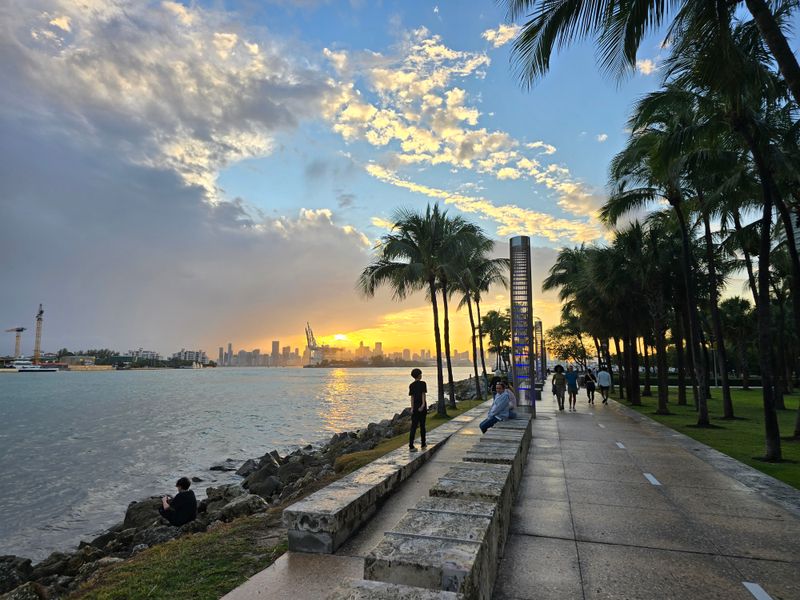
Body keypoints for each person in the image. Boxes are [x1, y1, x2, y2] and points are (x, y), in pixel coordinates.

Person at [408, 368, 427, 452]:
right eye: (420, 374)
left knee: (413, 427)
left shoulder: (411, 385)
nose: (421, 375)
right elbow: (423, 395)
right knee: (422, 426)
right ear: (419, 375)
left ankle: (411, 446)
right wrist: (423, 405)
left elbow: (412, 397)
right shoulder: (423, 383)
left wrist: (412, 408)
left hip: (415, 407)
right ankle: (423, 444)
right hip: (421, 407)